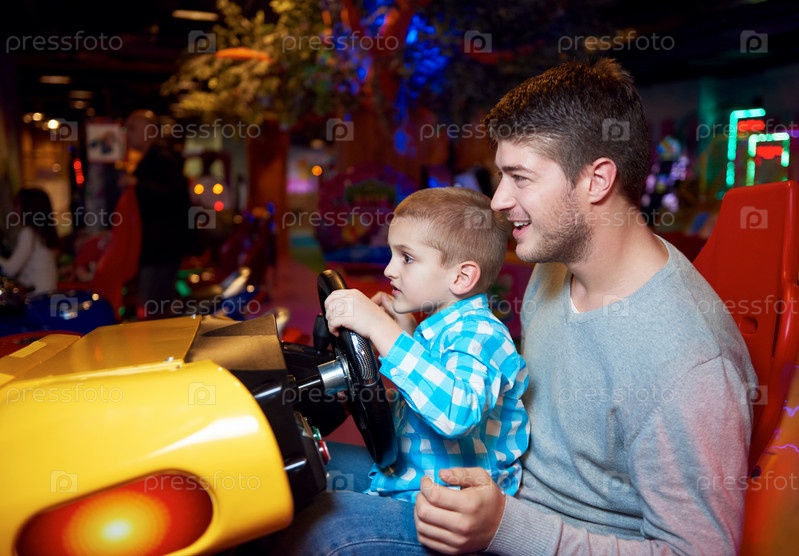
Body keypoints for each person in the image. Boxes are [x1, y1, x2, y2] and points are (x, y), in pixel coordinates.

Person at [267, 57, 757, 555]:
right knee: (282, 468)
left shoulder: (690, 360)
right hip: (494, 485)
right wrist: (408, 333)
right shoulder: (555, 269)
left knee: (319, 531)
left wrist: (507, 528)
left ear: (596, 180)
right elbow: (488, 381)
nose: (498, 200)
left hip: (534, 534)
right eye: (501, 175)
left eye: (519, 178)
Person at [323, 186, 529, 502]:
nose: (389, 270)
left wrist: (381, 328)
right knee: (305, 466)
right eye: (392, 255)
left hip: (447, 507)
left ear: (461, 278)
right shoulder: (439, 332)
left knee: (314, 515)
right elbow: (419, 419)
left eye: (406, 258)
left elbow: (456, 414)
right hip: (408, 481)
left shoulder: (481, 335)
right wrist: (362, 395)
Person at [132, 143, 199, 319]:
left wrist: (139, 185)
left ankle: (155, 333)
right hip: (162, 246)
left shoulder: (161, 161)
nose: (127, 135)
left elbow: (170, 199)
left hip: (160, 246)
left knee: (151, 306)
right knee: (156, 303)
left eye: (131, 130)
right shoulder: (161, 160)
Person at [0, 188, 59, 295]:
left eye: (17, 204)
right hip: (48, 292)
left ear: (28, 209)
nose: (14, 209)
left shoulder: (29, 233)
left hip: (37, 295)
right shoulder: (42, 233)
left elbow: (10, 269)